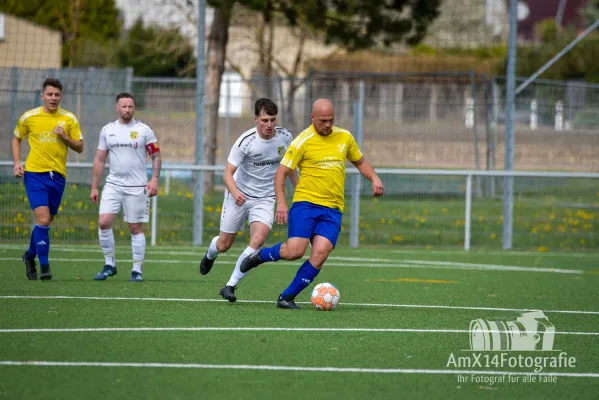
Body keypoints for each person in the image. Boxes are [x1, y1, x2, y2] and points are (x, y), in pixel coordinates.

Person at [240, 98, 384, 309]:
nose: (328, 124)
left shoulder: (344, 137)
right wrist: (282, 203)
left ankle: (286, 297)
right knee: (295, 252)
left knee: (320, 254)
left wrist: (375, 178)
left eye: (331, 120)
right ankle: (260, 256)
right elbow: (281, 173)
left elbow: (360, 162)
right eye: (323, 120)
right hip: (305, 205)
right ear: (312, 118)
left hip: (333, 209)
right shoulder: (302, 141)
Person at [199, 98, 298, 302]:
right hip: (239, 195)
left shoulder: (285, 137)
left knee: (258, 240)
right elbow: (227, 173)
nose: (269, 124)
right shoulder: (246, 141)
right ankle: (211, 254)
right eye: (264, 120)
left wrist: (300, 192)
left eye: (272, 120)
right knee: (224, 244)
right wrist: (236, 193)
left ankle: (230, 285)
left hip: (266, 198)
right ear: (255, 119)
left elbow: (291, 168)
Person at [12, 78, 84, 281]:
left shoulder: (69, 119)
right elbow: (16, 138)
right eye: (50, 94)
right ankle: (44, 267)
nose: (53, 98)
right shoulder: (29, 117)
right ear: (42, 95)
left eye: (57, 95)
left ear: (61, 97)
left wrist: (65, 137)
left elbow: (80, 147)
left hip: (57, 176)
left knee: (46, 222)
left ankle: (29, 256)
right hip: (34, 174)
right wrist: (17, 162)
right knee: (42, 219)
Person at [90, 92, 161, 282]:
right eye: (124, 106)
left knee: (135, 227)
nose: (127, 110)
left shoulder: (144, 130)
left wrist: (154, 179)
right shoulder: (107, 130)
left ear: (134, 108)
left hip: (137, 187)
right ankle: (109, 265)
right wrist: (94, 186)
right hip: (113, 184)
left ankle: (137, 270)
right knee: (103, 222)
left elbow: (156, 156)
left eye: (130, 106)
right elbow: (99, 159)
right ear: (117, 108)